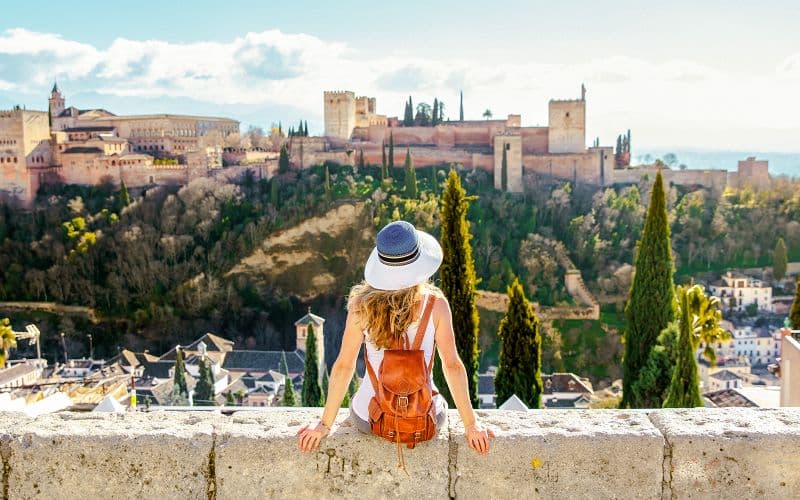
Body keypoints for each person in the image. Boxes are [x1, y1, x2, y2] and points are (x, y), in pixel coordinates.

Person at [297, 220, 495, 455]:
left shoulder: (361, 307)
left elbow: (343, 366)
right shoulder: (436, 305)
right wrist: (472, 425)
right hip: (423, 419)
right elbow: (452, 366)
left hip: (370, 418)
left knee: (359, 399)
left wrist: (323, 425)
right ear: (419, 263)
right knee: (439, 403)